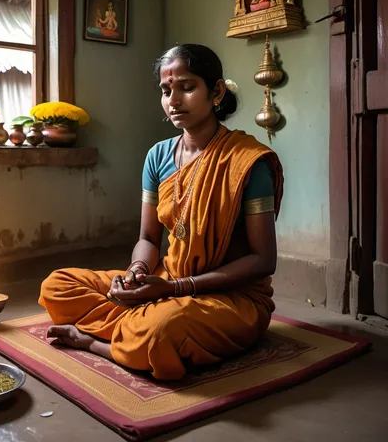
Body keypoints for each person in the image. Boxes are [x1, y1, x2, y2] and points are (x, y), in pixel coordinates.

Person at [39, 44, 284, 381]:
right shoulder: (158, 156)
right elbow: (147, 238)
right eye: (166, 90)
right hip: (165, 279)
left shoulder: (247, 162)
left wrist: (175, 290)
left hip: (230, 299)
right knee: (57, 285)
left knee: (161, 329)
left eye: (186, 87)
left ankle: (94, 342)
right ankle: (133, 333)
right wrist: (136, 272)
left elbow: (263, 260)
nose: (173, 100)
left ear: (215, 91)